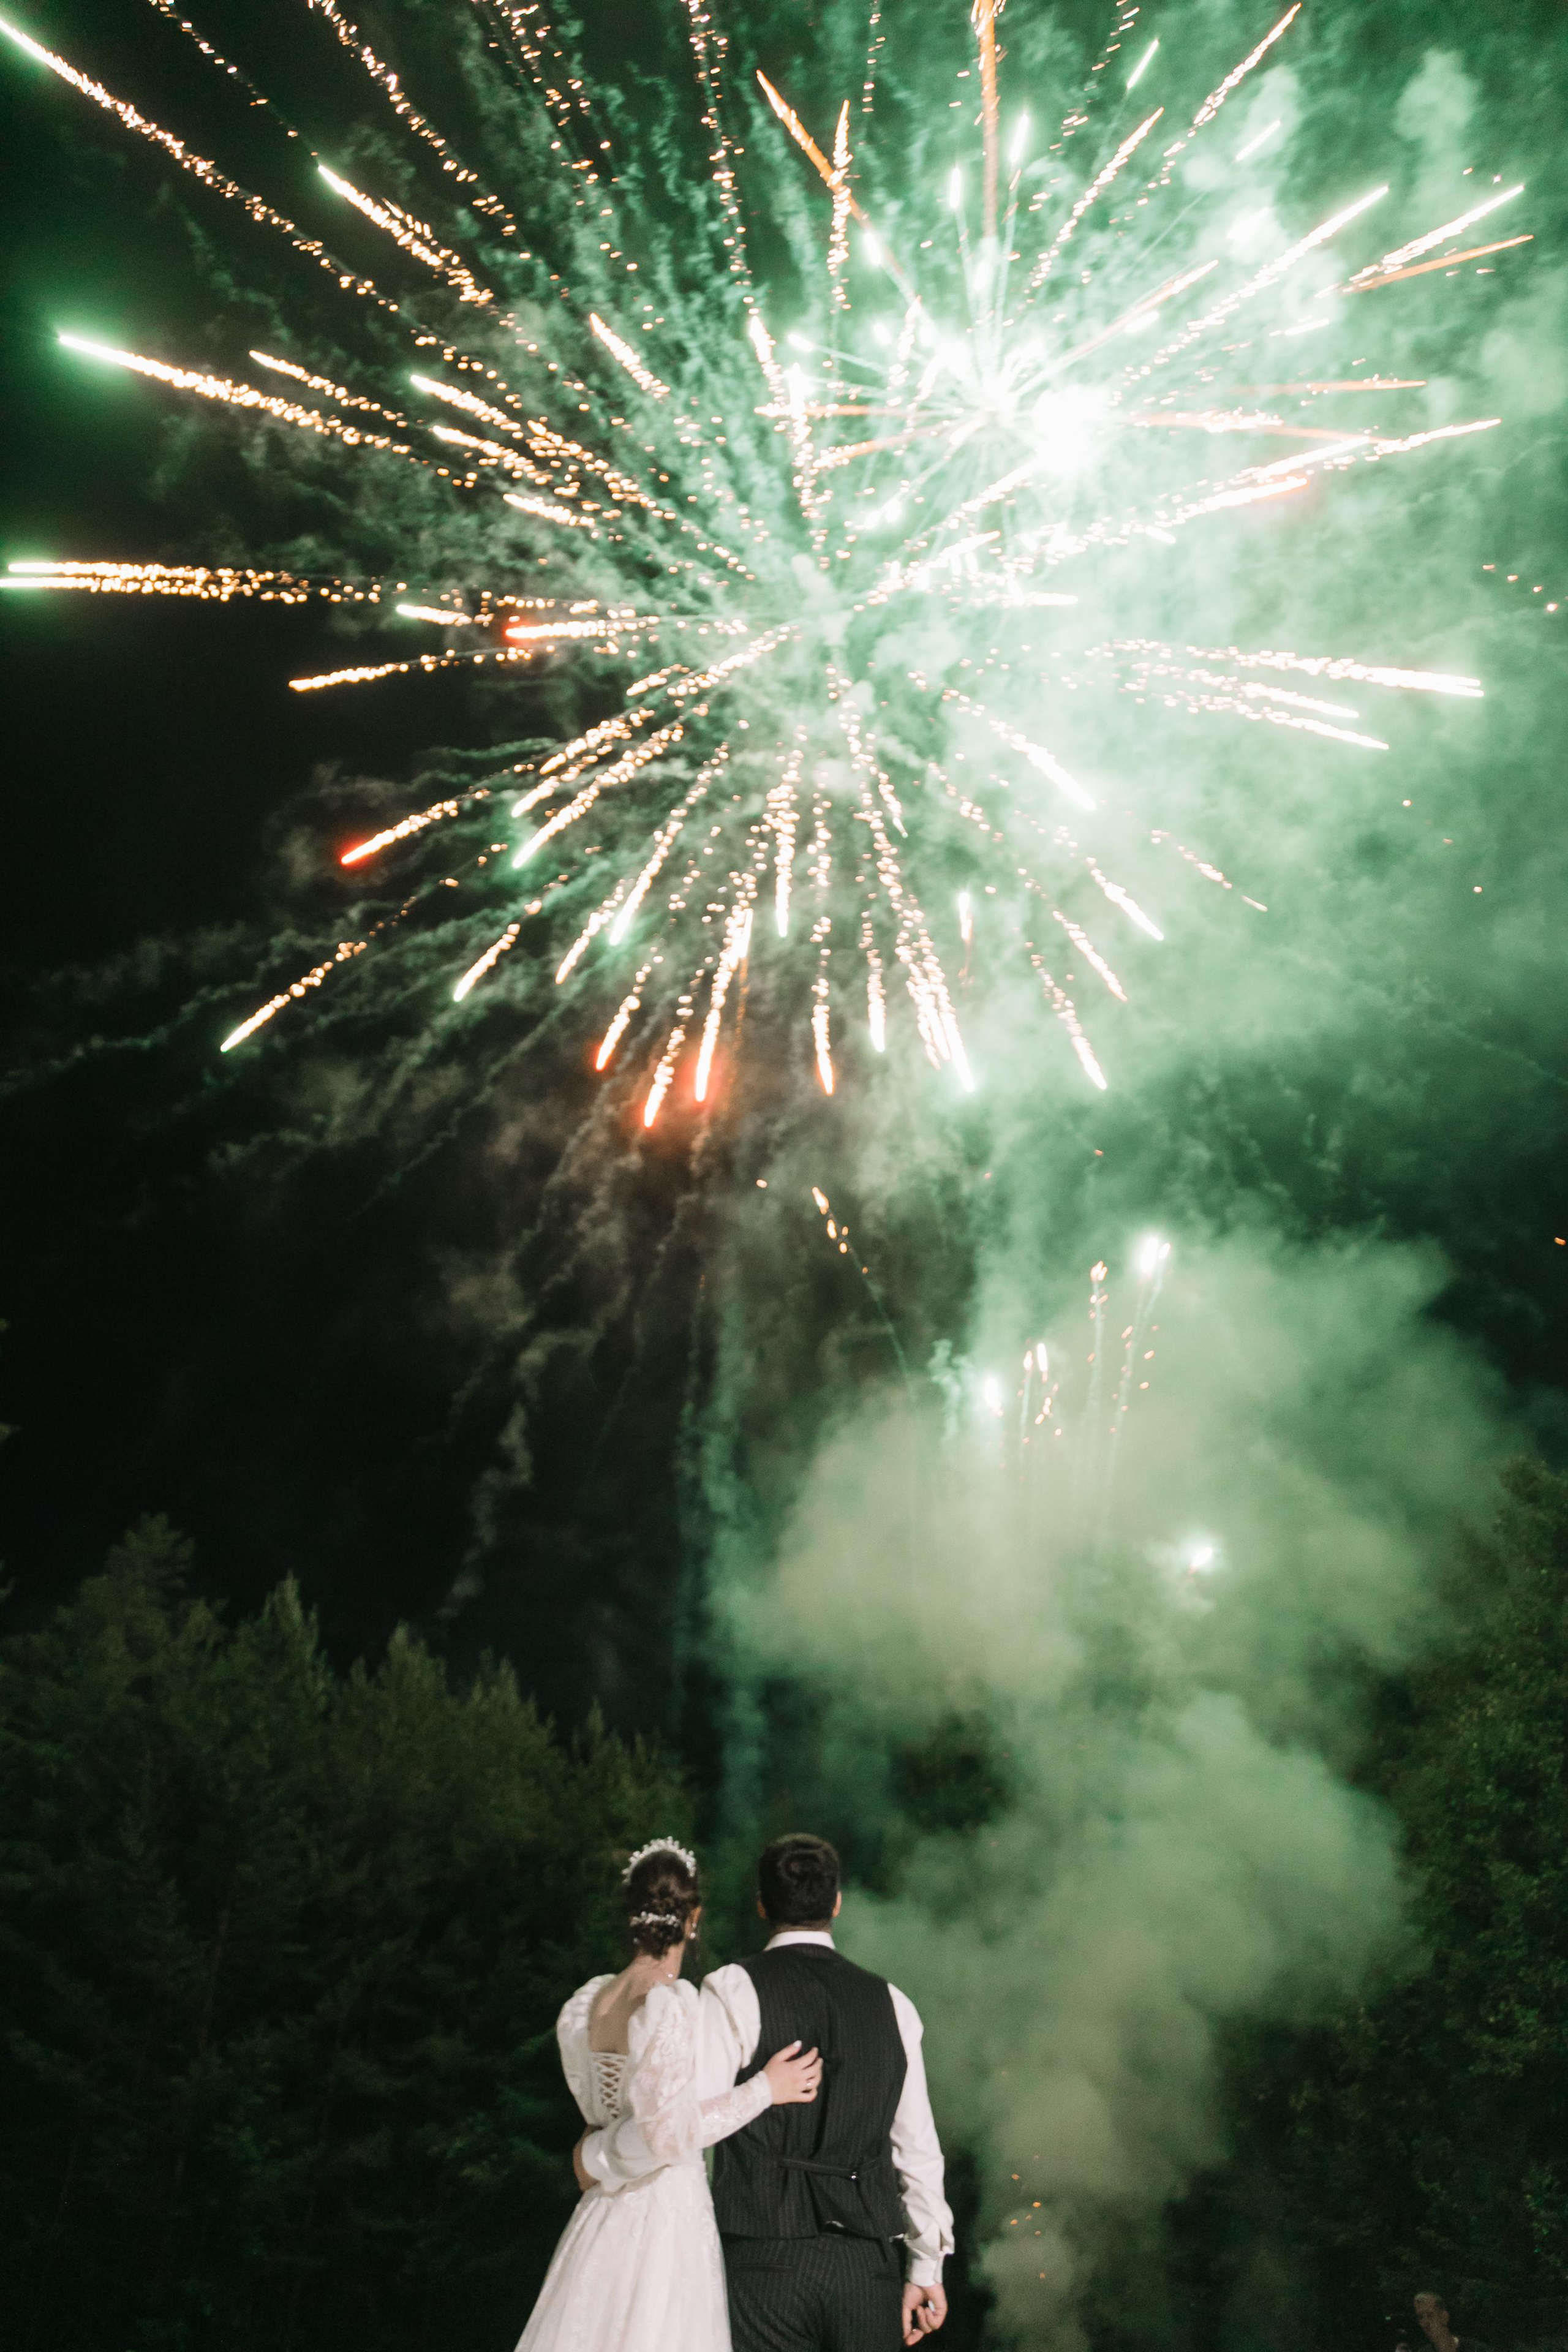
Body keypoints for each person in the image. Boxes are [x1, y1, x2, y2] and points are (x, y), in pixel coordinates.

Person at [587, 1831, 954, 2352]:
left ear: (762, 1905)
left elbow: (685, 2124)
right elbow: (917, 2150)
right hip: (866, 2269)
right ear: (836, 1904)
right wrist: (926, 2266)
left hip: (763, 2265)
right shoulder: (894, 2004)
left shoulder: (730, 1990)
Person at [514, 1838, 823, 2352]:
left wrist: (594, 2154)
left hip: (602, 2216)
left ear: (632, 1917)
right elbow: (667, 2134)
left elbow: (602, 2121)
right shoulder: (669, 2001)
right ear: (693, 1918)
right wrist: (764, 2090)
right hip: (662, 2220)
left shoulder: (593, 2001)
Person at [1415, 2293, 1492, 2352]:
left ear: (1444, 2317)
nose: (1425, 2322)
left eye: (1430, 2315)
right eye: (1421, 2317)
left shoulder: (1475, 2349)